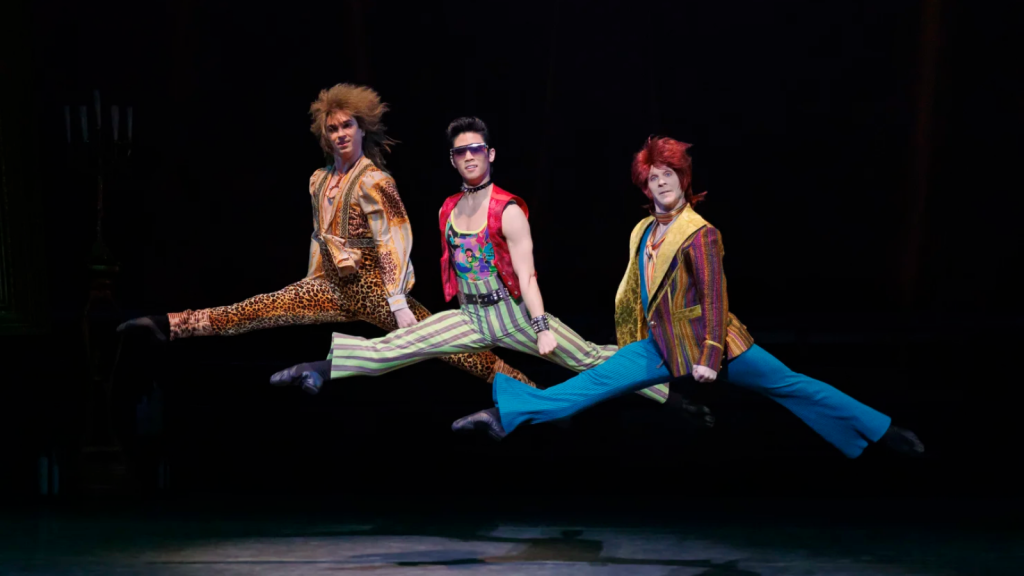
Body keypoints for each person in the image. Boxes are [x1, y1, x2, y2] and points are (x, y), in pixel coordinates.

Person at [452, 136, 924, 459]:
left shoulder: (699, 233)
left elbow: (716, 300)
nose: (661, 182)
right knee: (590, 386)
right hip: (659, 345)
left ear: (682, 177)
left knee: (790, 385)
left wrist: (710, 355)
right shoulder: (643, 229)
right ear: (644, 184)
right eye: (652, 177)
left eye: (668, 174)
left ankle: (883, 431)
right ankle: (501, 414)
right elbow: (637, 291)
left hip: (714, 342)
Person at [117, 85, 532, 390]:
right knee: (255, 309)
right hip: (330, 286)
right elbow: (320, 237)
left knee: (453, 349)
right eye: (333, 128)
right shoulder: (319, 180)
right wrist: (312, 277)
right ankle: (168, 325)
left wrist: (397, 300)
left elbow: (395, 238)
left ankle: (529, 390)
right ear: (325, 134)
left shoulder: (375, 180)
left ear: (361, 128)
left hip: (374, 288)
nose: (340, 134)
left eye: (347, 125)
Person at [269, 118, 671, 407]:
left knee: (585, 356)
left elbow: (527, 276)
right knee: (400, 345)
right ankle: (320, 368)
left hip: (514, 314)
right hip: (470, 316)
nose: (469, 157)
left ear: (490, 154)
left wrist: (541, 327)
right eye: (461, 151)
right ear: (453, 159)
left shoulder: (508, 209)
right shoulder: (448, 209)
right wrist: (401, 304)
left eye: (476, 149)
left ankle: (665, 383)